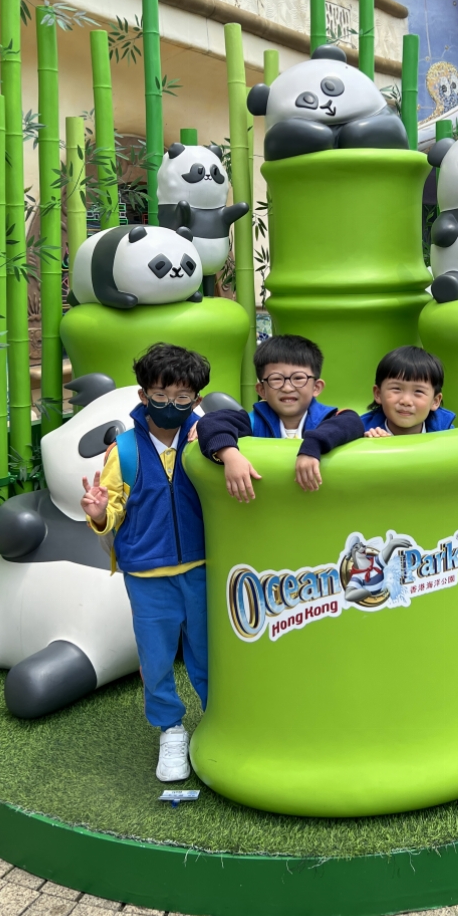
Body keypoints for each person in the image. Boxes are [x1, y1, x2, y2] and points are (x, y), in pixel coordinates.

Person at [80, 343, 210, 783]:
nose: (171, 404)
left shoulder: (205, 440)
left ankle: (217, 721)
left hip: (203, 569)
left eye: (183, 397)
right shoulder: (125, 450)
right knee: (155, 661)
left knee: (210, 656)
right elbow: (113, 508)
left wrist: (211, 432)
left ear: (196, 398)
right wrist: (100, 513)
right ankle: (171, 729)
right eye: (161, 395)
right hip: (147, 576)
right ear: (143, 395)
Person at [196, 334, 363, 501]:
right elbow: (211, 423)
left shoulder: (327, 419)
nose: (288, 388)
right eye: (276, 379)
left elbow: (351, 421)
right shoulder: (253, 422)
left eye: (298, 378)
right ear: (262, 390)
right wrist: (230, 455)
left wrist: (313, 445)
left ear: (316, 387)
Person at [361, 346, 456, 436]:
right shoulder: (361, 431)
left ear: (435, 401)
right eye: (396, 389)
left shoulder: (445, 432)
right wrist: (368, 443)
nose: (406, 401)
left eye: (418, 391)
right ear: (378, 394)